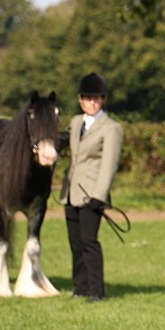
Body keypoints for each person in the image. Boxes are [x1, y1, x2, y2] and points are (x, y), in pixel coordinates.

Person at [62, 72, 123, 301]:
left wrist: (99, 195)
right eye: (88, 98)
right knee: (75, 242)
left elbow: (109, 164)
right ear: (80, 99)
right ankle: (80, 288)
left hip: (91, 193)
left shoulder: (111, 128)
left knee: (89, 241)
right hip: (70, 192)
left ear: (102, 99)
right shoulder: (75, 122)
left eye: (96, 98)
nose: (92, 102)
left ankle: (97, 291)